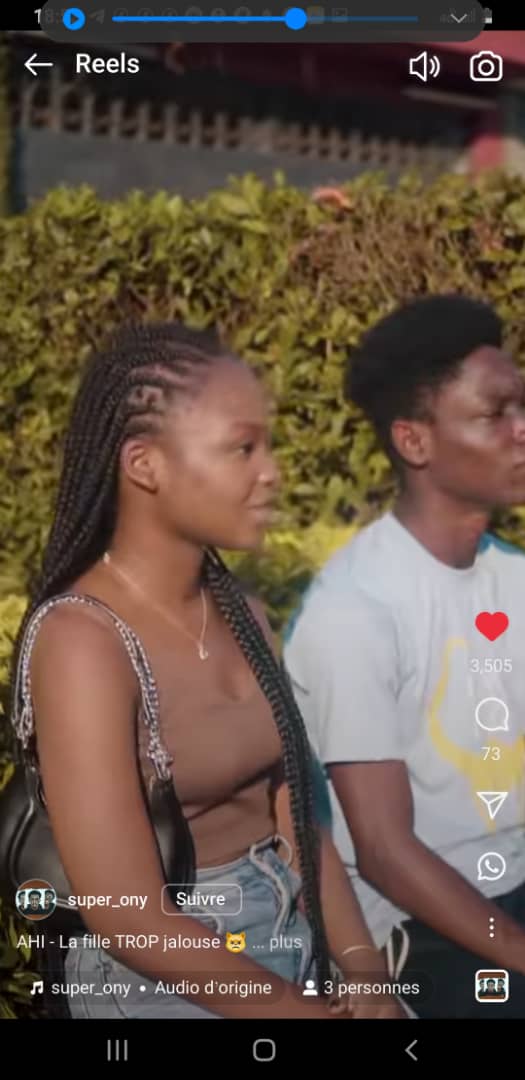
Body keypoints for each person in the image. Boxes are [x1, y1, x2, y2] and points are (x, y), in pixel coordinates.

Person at [9, 322, 404, 1020]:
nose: (271, 471)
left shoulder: (242, 612)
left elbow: (294, 811)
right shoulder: (83, 642)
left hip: (287, 928)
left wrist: (363, 967)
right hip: (158, 972)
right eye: (241, 448)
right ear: (145, 465)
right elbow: (128, 918)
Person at [282, 294, 525, 1019]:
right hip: (424, 928)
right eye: (494, 414)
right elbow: (386, 853)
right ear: (414, 442)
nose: (520, 430)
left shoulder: (512, 575)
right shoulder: (354, 610)